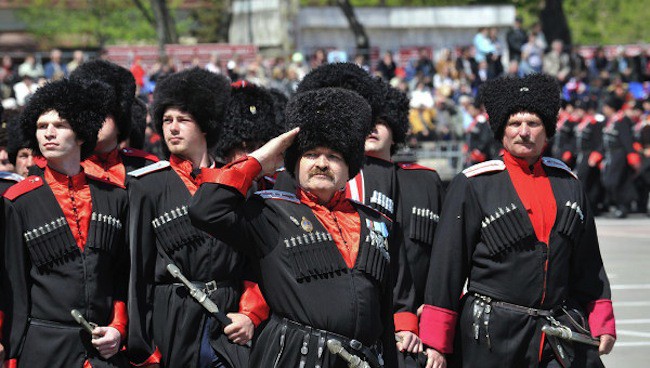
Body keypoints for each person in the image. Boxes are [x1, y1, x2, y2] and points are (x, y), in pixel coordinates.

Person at [189, 87, 399, 368]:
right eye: (311, 154)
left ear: (350, 168)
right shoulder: (268, 211)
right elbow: (205, 210)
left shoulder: (376, 222)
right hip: (293, 357)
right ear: (295, 164)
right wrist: (258, 161)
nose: (322, 164)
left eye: (334, 156)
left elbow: (385, 313)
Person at [420, 74, 616, 368]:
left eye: (533, 124)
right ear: (502, 131)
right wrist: (436, 341)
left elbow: (589, 263)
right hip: (491, 335)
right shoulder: (473, 184)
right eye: (515, 124)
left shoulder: (569, 183)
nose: (524, 132)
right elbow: (447, 266)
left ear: (547, 131)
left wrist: (601, 319)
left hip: (557, 330)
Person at [126, 68, 261, 368]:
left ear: (205, 124)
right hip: (172, 317)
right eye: (166, 120)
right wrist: (143, 347)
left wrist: (250, 314)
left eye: (182, 120)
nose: (172, 128)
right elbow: (138, 273)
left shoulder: (235, 182)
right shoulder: (146, 185)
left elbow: (255, 260)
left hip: (228, 318)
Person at [2, 78, 130, 367]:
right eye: (41, 126)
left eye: (59, 126)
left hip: (103, 351)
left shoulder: (115, 197)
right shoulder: (18, 201)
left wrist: (118, 328)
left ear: (81, 134)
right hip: (43, 349)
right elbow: (13, 288)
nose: (48, 133)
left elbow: (123, 274)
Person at [69, 59, 159, 187]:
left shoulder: (147, 168)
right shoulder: (64, 169)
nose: (94, 119)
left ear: (119, 119)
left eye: (103, 112)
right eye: (87, 112)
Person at [592, 95, 641, 218]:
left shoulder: (621, 120)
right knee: (608, 180)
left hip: (619, 153)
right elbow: (605, 140)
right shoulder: (610, 120)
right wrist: (598, 152)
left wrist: (631, 154)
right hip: (610, 154)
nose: (604, 109)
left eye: (606, 106)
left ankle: (623, 206)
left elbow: (626, 139)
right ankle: (618, 205)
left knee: (615, 181)